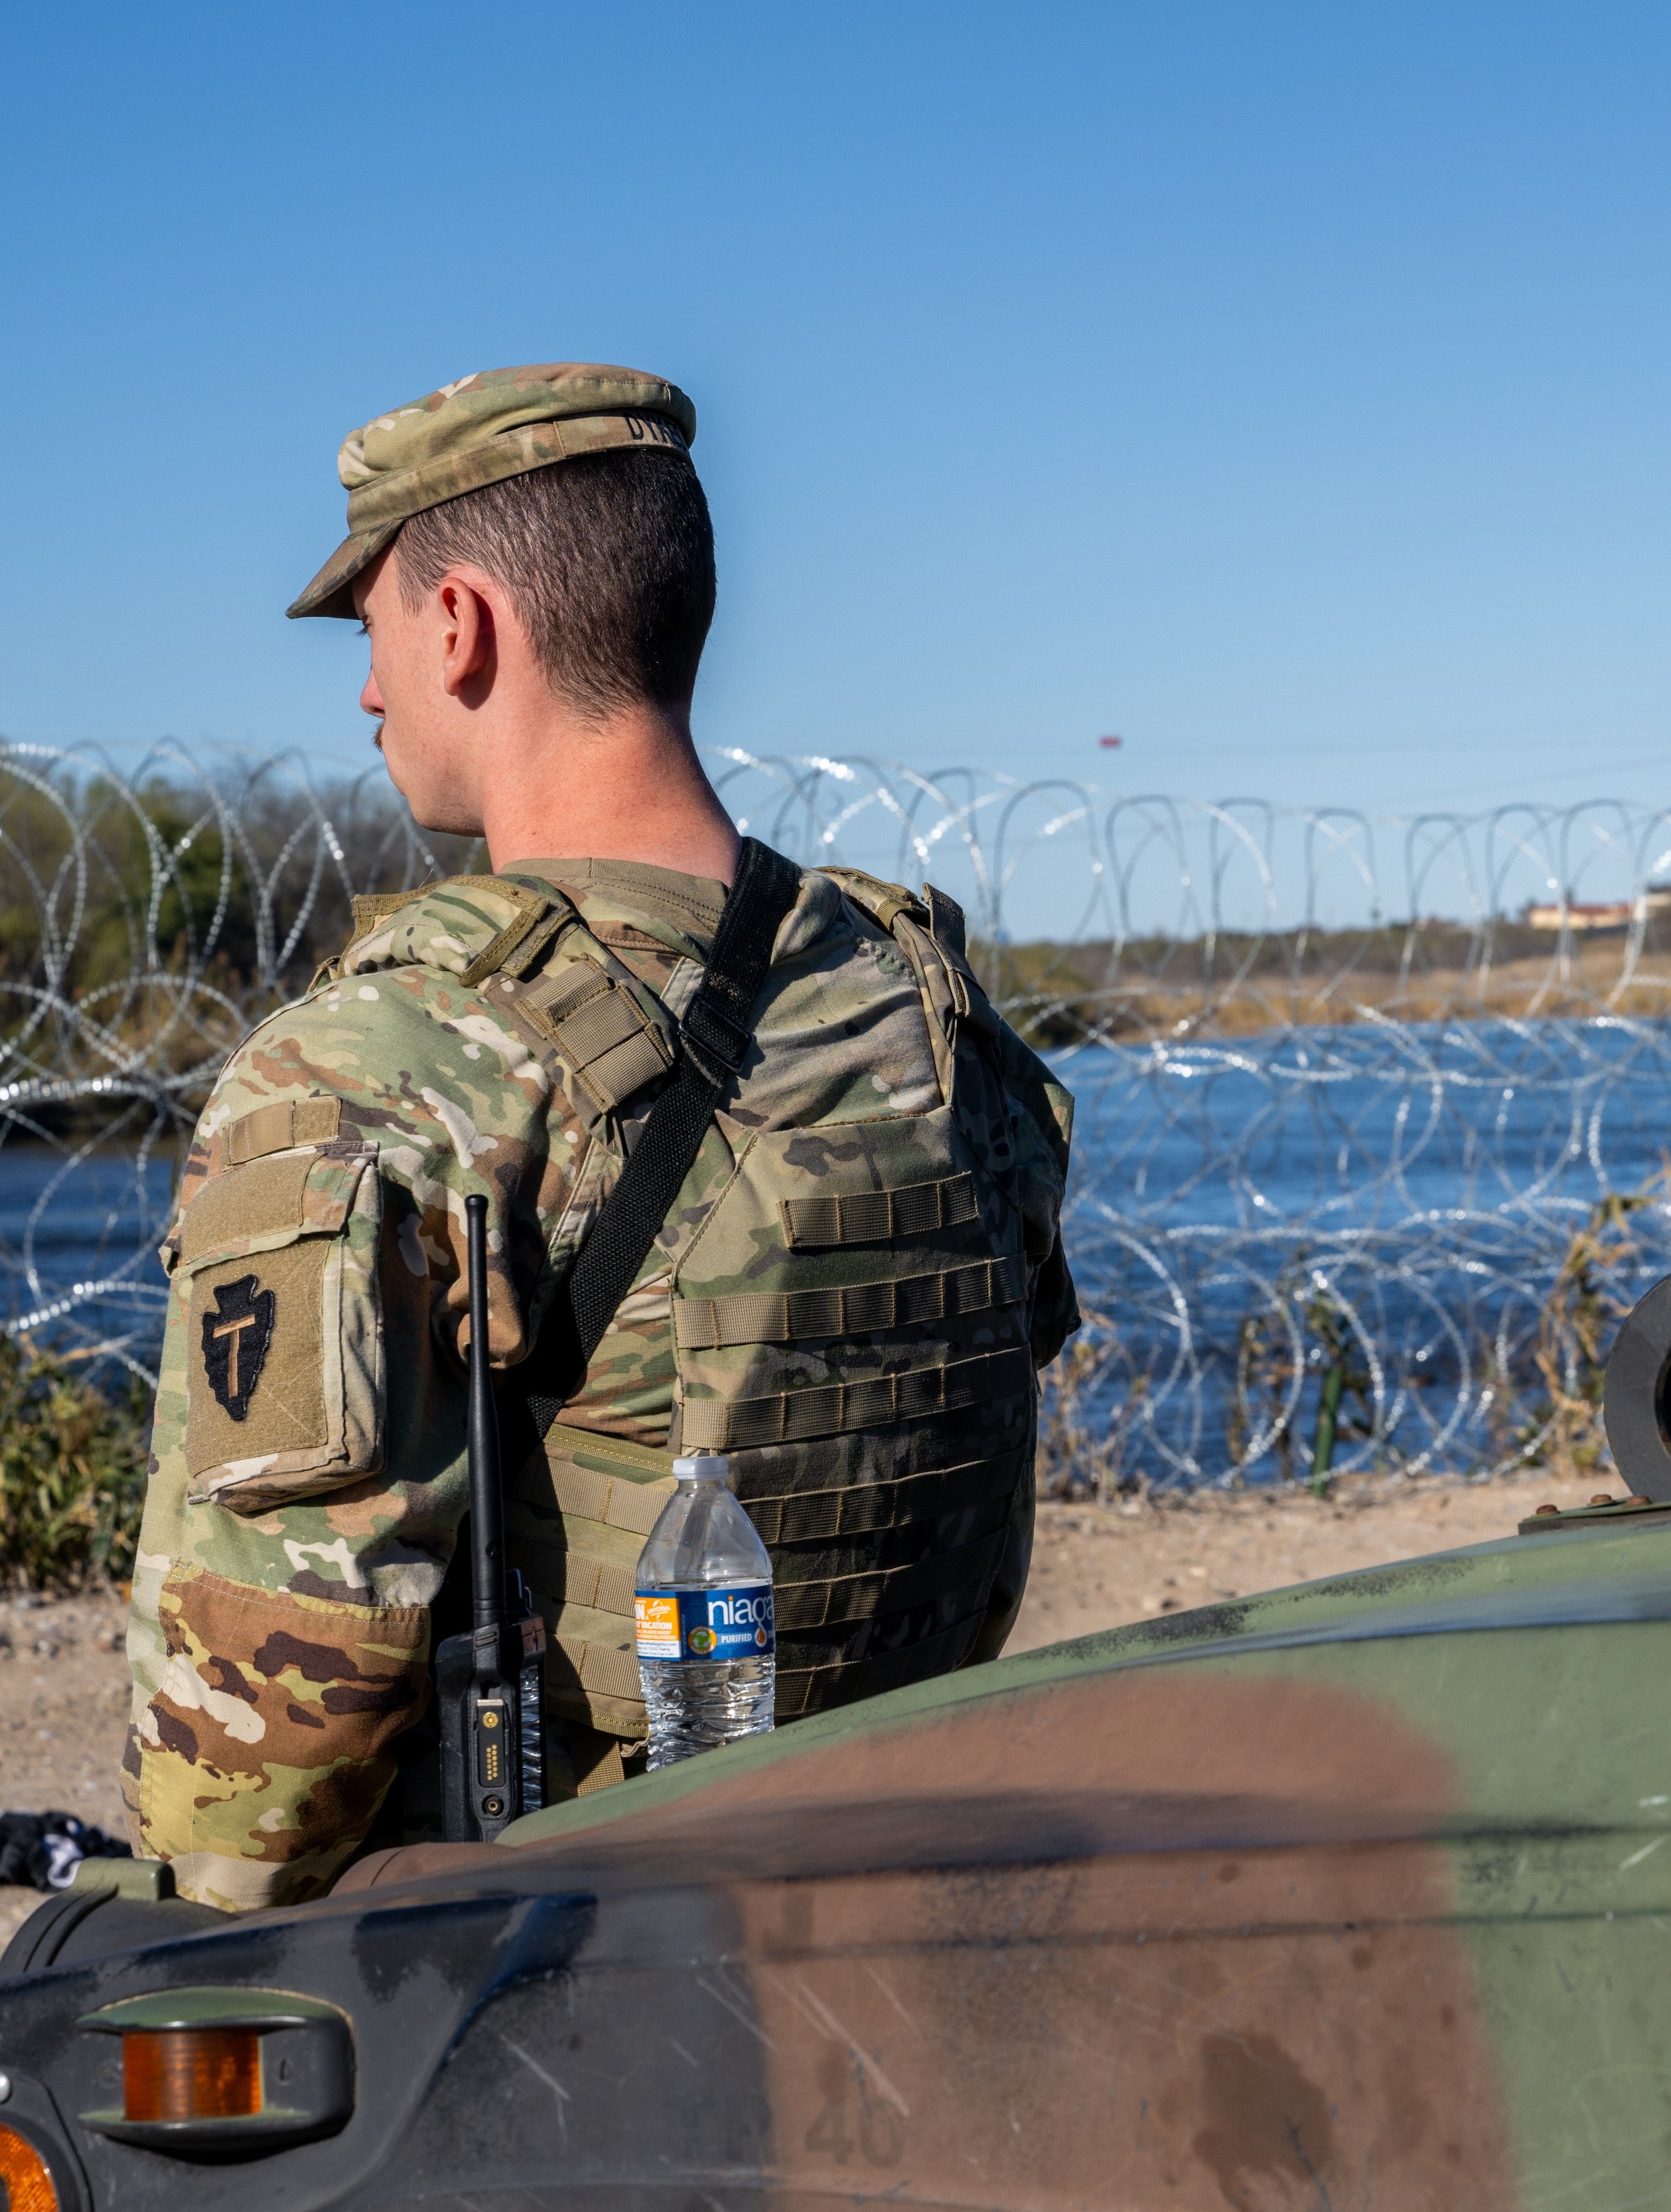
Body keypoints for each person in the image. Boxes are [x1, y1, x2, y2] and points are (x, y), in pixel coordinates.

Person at [119, 364, 1077, 1911]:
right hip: (895, 1860)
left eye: (372, 633)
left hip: (564, 1940)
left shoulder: (383, 1063)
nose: (368, 694)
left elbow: (258, 1782)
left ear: (460, 627)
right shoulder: (918, 1000)